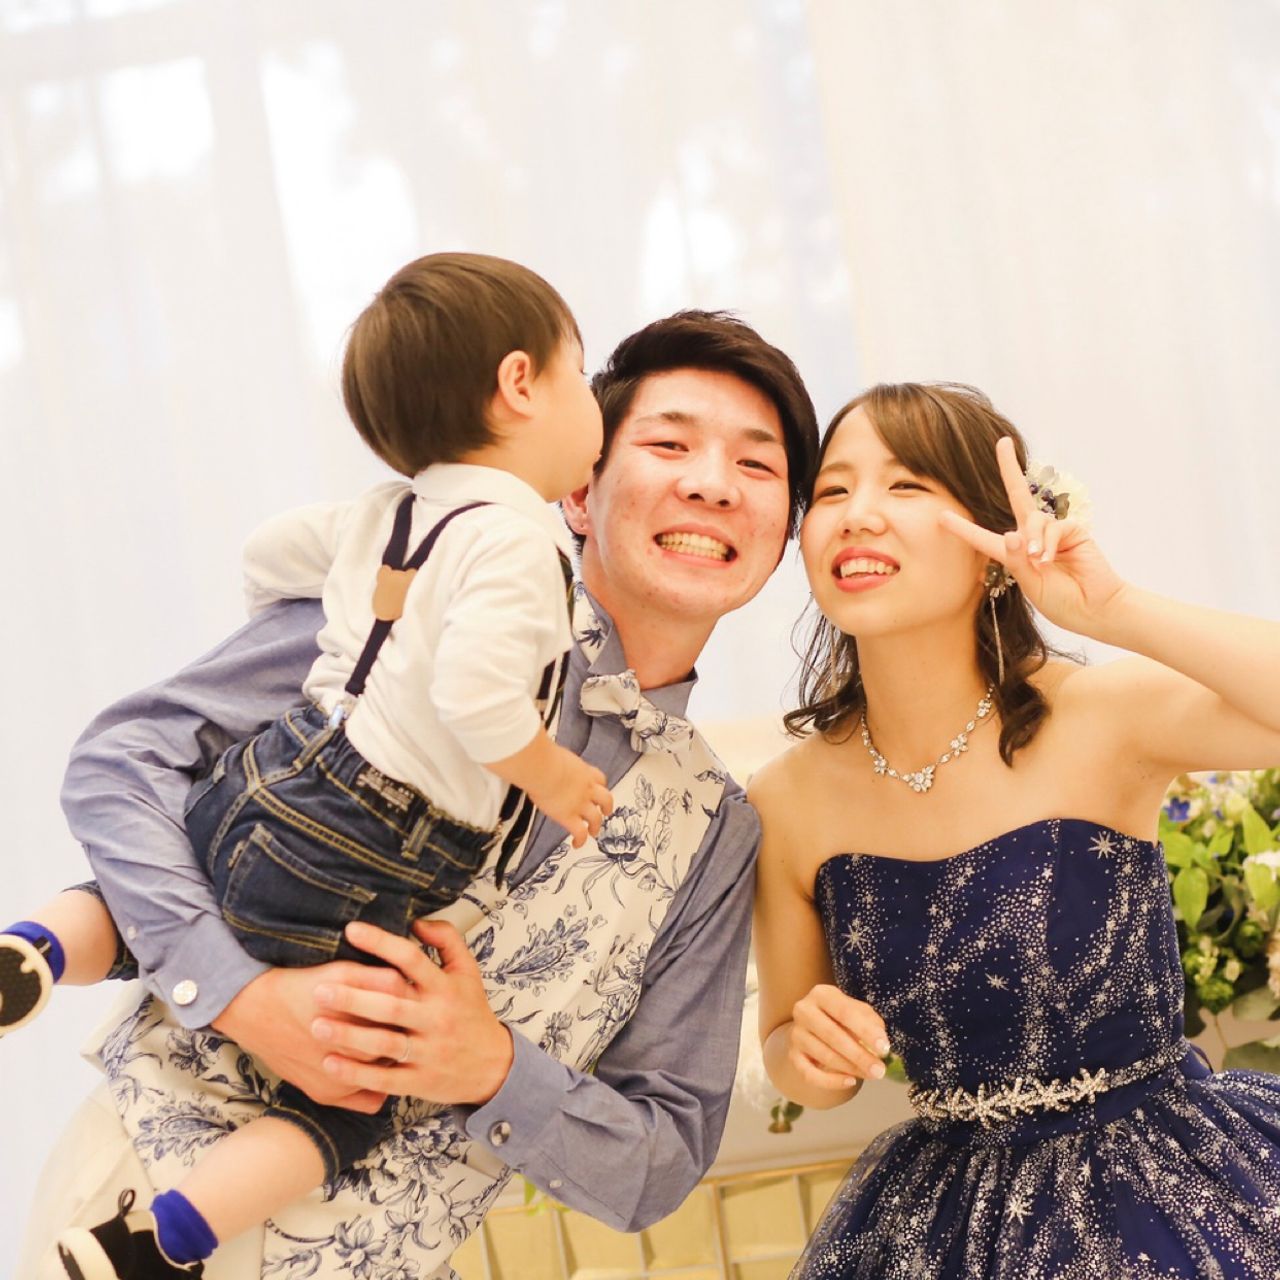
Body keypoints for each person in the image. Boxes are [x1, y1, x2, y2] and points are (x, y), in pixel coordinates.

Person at [19, 309, 819, 1279]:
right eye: (668, 444)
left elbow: (660, 1159)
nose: (711, 483)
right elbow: (125, 760)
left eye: (756, 465)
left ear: (784, 530)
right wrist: (234, 994)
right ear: (579, 489)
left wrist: (490, 1067)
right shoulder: (436, 583)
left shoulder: (719, 829)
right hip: (134, 1209)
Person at [750, 381, 1280, 1279]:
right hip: (942, 1227)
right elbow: (787, 1048)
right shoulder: (784, 799)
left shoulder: (1102, 718)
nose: (858, 514)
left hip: (1167, 1192)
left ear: (992, 544)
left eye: (906, 485)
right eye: (832, 490)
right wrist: (808, 1052)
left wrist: (1114, 609)